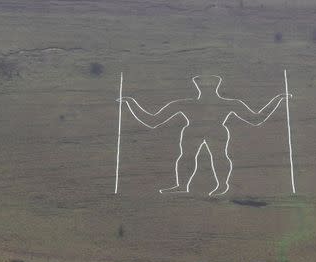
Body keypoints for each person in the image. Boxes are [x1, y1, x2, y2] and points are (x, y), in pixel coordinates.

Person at [119, 75, 289, 196]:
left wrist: (278, 99)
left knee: (218, 156)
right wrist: (130, 103)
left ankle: (221, 185)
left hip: (213, 131)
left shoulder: (225, 104)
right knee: (187, 156)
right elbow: (153, 121)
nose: (206, 88)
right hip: (195, 131)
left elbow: (255, 118)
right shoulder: (187, 104)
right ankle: (183, 186)